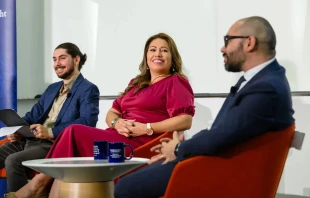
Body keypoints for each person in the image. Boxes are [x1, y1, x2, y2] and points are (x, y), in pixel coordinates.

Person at [114, 16, 295, 198]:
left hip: (218, 170)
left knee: (125, 186)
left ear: (249, 43)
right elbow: (222, 130)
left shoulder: (265, 87)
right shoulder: (261, 80)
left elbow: (221, 136)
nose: (223, 48)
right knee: (135, 176)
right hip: (212, 161)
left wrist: (178, 149)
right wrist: (178, 147)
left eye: (228, 40)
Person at [8, 33, 195, 198]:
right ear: (146, 56)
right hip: (116, 134)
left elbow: (185, 120)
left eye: (164, 50)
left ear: (172, 57)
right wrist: (116, 122)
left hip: (143, 142)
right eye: (153, 49)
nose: (158, 54)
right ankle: (44, 188)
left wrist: (146, 128)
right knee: (71, 150)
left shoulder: (176, 82)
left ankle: (38, 184)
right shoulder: (136, 83)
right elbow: (112, 112)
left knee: (74, 131)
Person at [0, 42, 100, 194]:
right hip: (30, 140)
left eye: (62, 58)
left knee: (13, 161)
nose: (57, 63)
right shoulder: (52, 88)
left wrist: (51, 132)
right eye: (54, 59)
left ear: (76, 59)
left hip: (54, 144)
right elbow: (32, 116)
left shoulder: (88, 89)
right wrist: (17, 129)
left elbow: (87, 122)